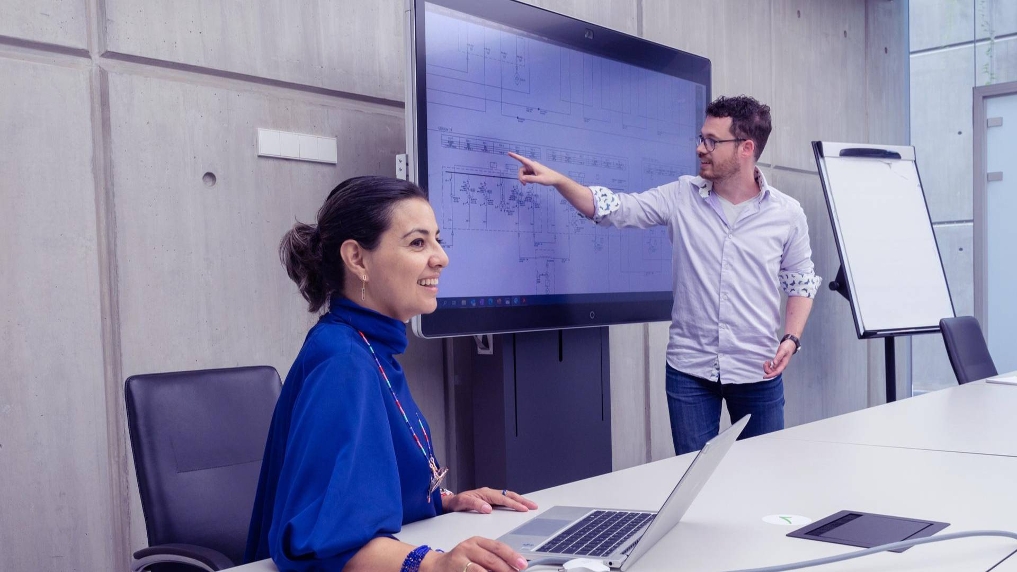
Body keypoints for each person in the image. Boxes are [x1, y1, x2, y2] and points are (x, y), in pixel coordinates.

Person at [245, 176, 537, 572]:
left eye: (437, 239)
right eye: (418, 243)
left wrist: (443, 500)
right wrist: (434, 564)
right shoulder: (343, 361)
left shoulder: (370, 347)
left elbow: (363, 490)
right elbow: (323, 546)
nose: (441, 257)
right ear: (358, 259)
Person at [508, 96, 821, 456]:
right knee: (692, 482)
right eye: (701, 137)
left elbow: (800, 280)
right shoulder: (681, 196)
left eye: (711, 141)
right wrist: (560, 181)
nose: (700, 148)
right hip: (689, 372)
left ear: (746, 148)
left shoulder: (787, 213)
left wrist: (791, 339)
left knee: (762, 477)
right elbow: (615, 209)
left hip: (758, 371)